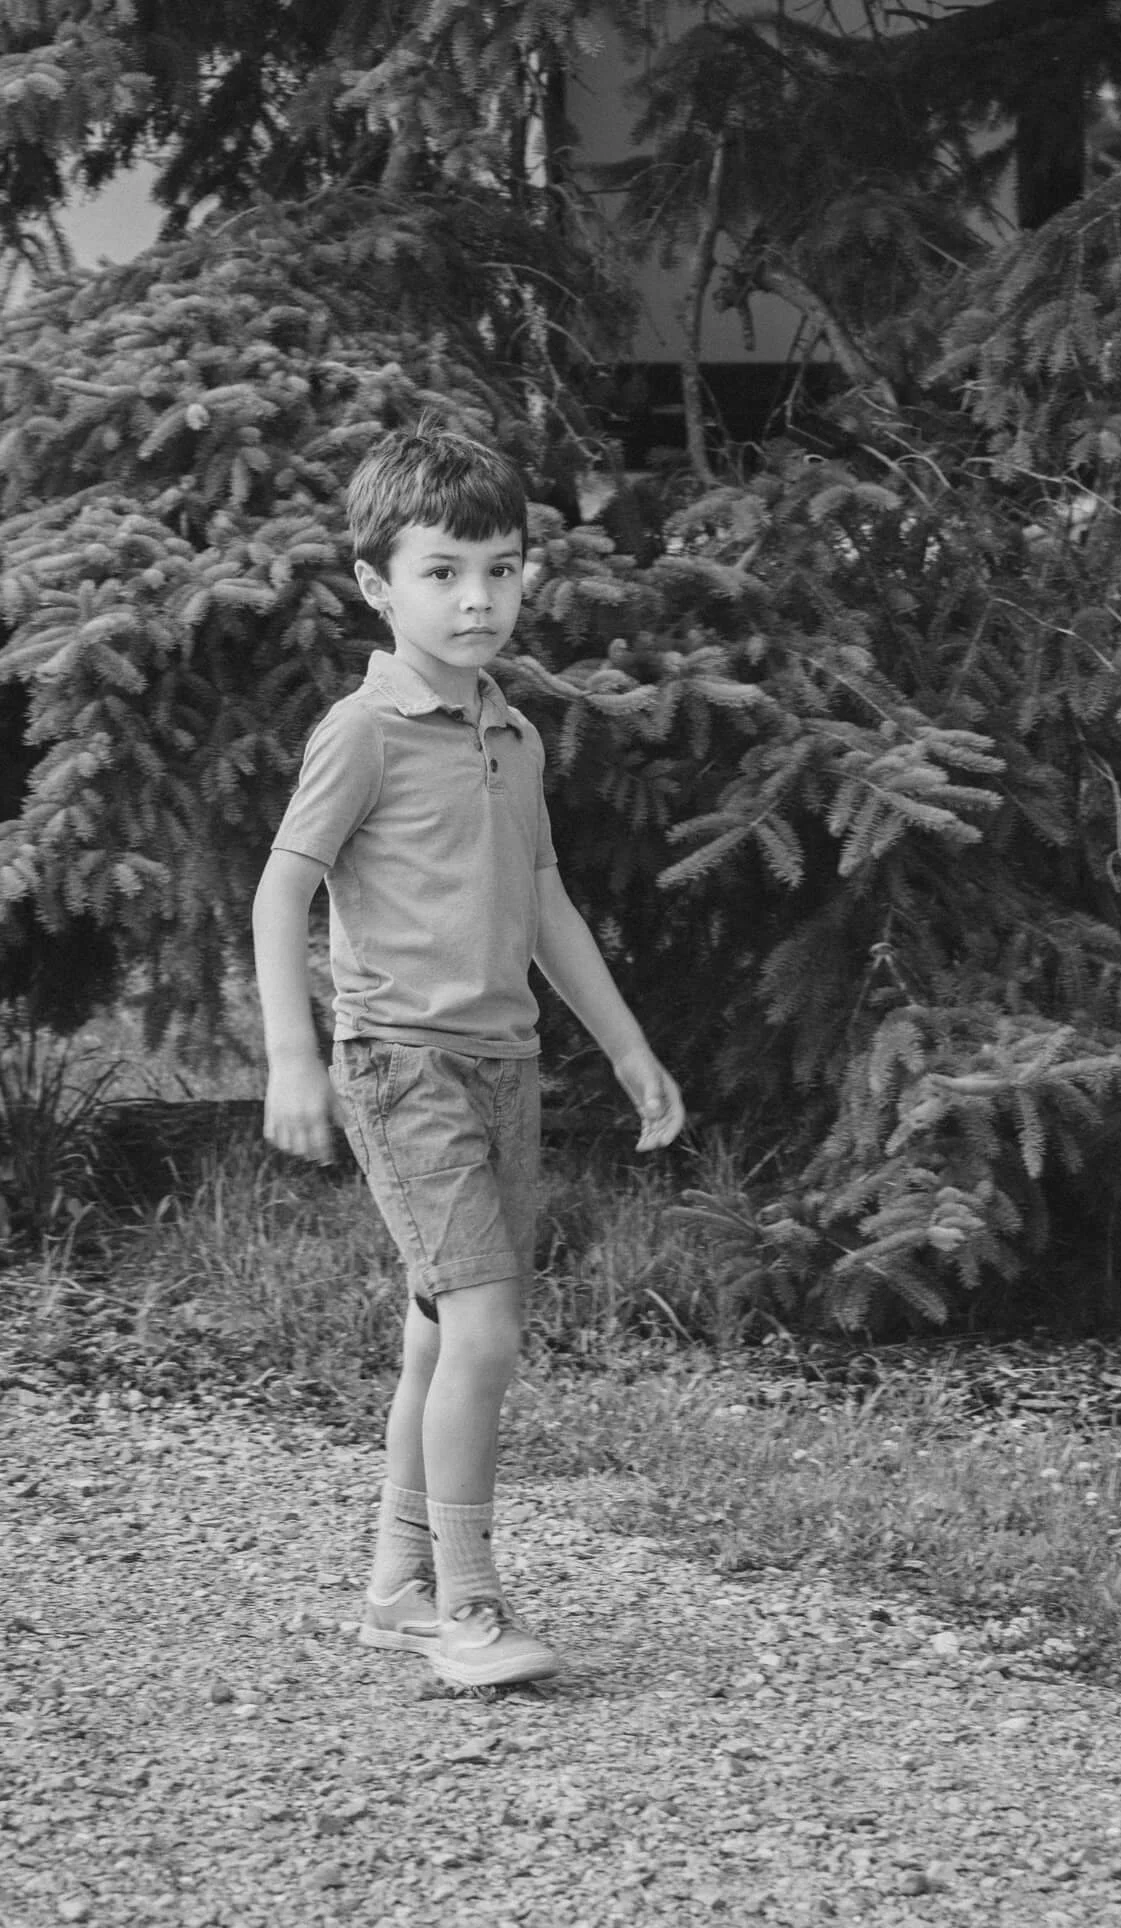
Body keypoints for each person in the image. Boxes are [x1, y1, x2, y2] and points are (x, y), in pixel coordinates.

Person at [251, 424, 685, 1688]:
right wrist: (292, 1056)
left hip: (503, 1064)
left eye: (500, 568)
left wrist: (628, 1046)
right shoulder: (364, 731)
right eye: (442, 571)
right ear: (377, 585)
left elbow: (545, 901)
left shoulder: (513, 733)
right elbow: (282, 892)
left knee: (442, 1332)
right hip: (401, 1064)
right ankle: (469, 1604)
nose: (478, 597)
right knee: (487, 1329)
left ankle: (397, 1586)